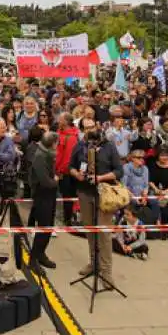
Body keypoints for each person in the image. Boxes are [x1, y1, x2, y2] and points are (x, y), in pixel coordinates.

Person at [68, 118, 123, 286]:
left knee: (104, 234)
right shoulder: (80, 146)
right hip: (85, 193)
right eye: (86, 128)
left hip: (104, 195)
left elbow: (118, 171)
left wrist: (100, 178)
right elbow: (71, 166)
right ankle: (94, 263)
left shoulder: (109, 146)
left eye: (92, 126)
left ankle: (106, 272)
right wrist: (76, 174)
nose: (89, 130)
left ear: (97, 127)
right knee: (90, 231)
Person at [29, 132, 60, 269]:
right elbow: (45, 181)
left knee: (48, 227)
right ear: (53, 144)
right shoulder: (40, 157)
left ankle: (41, 254)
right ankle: (34, 258)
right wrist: (56, 181)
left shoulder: (48, 154)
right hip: (42, 195)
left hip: (49, 195)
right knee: (43, 227)